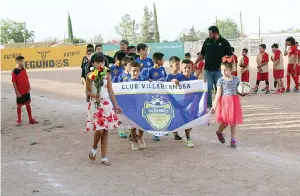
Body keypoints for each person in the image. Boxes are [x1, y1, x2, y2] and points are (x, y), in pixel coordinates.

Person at [85, 53, 122, 166]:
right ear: (93, 64)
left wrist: (116, 105)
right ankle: (94, 147)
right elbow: (87, 91)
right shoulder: (90, 76)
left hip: (107, 104)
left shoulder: (107, 74)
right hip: (96, 105)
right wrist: (95, 96)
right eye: (98, 62)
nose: (100, 64)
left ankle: (104, 157)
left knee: (105, 131)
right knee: (100, 129)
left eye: (102, 62)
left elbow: (110, 90)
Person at [195, 26, 232, 110]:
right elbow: (202, 54)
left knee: (219, 88)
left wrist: (225, 67)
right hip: (207, 70)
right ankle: (209, 105)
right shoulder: (207, 41)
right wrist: (195, 62)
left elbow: (230, 56)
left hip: (219, 71)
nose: (209, 34)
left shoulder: (224, 42)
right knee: (207, 87)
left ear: (216, 33)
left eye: (210, 33)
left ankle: (220, 105)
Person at [211, 57, 243, 148]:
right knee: (225, 122)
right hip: (225, 103)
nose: (224, 72)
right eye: (222, 70)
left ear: (231, 69)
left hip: (234, 102)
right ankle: (219, 131)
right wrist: (214, 106)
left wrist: (244, 92)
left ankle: (233, 140)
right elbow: (218, 94)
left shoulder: (236, 79)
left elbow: (239, 90)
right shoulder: (220, 80)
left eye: (226, 70)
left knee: (233, 122)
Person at [125, 62, 147, 150]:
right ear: (129, 71)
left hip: (141, 105)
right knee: (132, 124)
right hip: (131, 106)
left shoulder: (142, 81)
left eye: (138, 71)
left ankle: (140, 137)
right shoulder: (126, 82)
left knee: (142, 123)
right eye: (133, 71)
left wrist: (150, 83)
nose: (136, 73)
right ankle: (134, 141)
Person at [11, 56, 39, 126]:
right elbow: (14, 82)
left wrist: (29, 87)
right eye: (22, 61)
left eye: (23, 61)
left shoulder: (24, 70)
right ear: (18, 62)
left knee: (28, 104)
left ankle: (30, 119)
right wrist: (17, 92)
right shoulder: (15, 71)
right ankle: (19, 120)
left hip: (26, 90)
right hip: (20, 91)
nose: (23, 62)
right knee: (19, 106)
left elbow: (27, 79)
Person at [147, 52, 167, 141]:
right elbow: (146, 81)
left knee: (163, 112)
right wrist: (149, 81)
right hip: (154, 96)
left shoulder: (163, 69)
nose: (164, 61)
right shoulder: (150, 70)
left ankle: (162, 129)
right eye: (163, 59)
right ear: (159, 61)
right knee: (155, 113)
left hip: (163, 94)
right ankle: (155, 133)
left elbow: (166, 79)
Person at [179, 59, 197, 147]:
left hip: (192, 103)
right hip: (182, 104)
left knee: (191, 121)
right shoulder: (179, 78)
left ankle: (187, 134)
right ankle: (188, 138)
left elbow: (199, 87)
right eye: (185, 68)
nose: (187, 69)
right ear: (181, 69)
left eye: (189, 68)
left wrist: (203, 83)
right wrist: (174, 82)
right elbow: (171, 84)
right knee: (187, 120)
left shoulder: (194, 78)